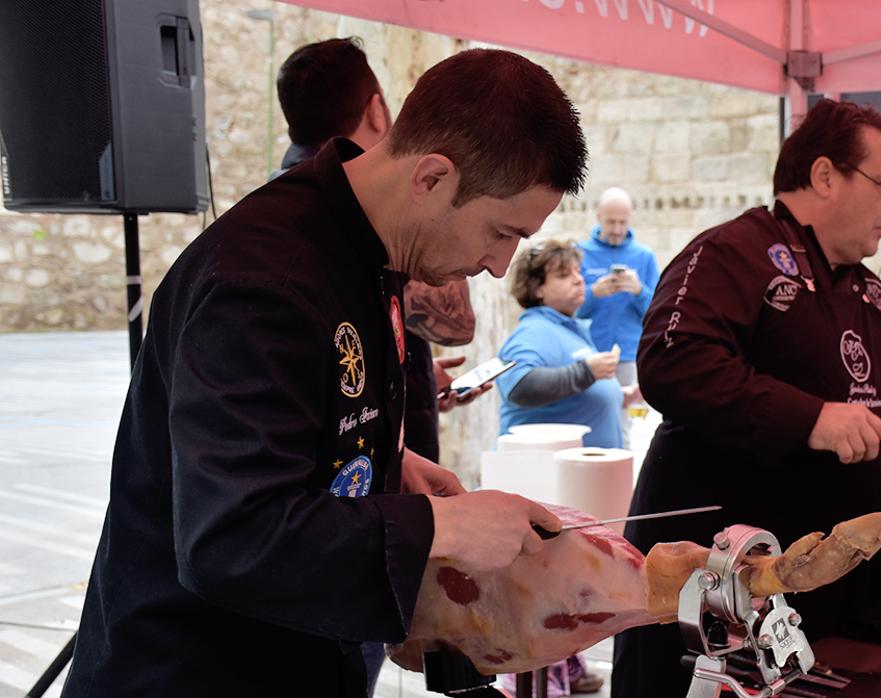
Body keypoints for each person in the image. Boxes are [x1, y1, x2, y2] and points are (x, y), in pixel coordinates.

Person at [63, 48, 586, 696]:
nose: (500, 265)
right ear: (432, 178)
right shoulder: (261, 283)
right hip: (190, 670)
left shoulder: (375, 253)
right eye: (500, 232)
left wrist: (386, 464)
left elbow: (308, 417)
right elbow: (231, 538)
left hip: (300, 655)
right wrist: (444, 527)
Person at [611, 99, 881, 697]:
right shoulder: (733, 252)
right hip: (716, 603)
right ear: (826, 175)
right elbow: (671, 361)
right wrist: (811, 418)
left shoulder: (871, 294)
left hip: (836, 609)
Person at [273, 37, 486, 694]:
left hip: (370, 506)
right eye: (500, 234)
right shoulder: (304, 234)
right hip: (334, 555)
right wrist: (430, 522)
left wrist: (396, 452)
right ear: (376, 108)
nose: (498, 262)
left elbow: (331, 381)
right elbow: (247, 527)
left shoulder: (333, 219)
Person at [497, 239, 630, 450]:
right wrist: (586, 372)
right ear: (537, 289)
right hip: (549, 475)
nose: (579, 280)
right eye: (564, 275)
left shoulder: (566, 329)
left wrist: (616, 393)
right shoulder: (535, 330)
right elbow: (519, 386)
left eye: (578, 272)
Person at [576, 187, 660, 446]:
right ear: (598, 216)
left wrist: (638, 291)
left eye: (622, 222)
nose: (616, 228)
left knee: (623, 424)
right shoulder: (580, 253)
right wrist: (594, 292)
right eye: (611, 221)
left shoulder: (644, 257)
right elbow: (570, 309)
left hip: (626, 356)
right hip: (589, 352)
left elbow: (658, 313)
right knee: (588, 419)